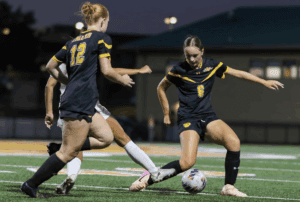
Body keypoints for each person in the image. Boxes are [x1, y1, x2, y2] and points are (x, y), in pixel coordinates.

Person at [129, 35, 284, 197]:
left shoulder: (212, 65)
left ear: (202, 52)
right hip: (188, 118)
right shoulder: (178, 70)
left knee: (234, 142)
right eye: (188, 55)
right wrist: (166, 113)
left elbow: (238, 73)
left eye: (195, 55)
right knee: (187, 162)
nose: (191, 59)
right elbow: (160, 88)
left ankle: (228, 187)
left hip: (208, 116)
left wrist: (264, 82)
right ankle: (147, 178)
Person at [21, 2, 134, 198]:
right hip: (79, 100)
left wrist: (67, 80)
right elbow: (107, 71)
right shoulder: (102, 38)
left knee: (106, 137)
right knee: (68, 154)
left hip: (83, 99)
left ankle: (63, 147)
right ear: (104, 20)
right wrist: (121, 79)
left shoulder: (73, 42)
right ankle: (30, 184)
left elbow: (50, 66)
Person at [45, 63, 158, 194]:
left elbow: (49, 85)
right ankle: (154, 171)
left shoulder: (64, 59)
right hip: (89, 106)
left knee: (76, 148)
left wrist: (49, 112)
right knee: (122, 138)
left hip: (67, 109)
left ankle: (71, 176)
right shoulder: (89, 52)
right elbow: (109, 71)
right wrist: (137, 71)